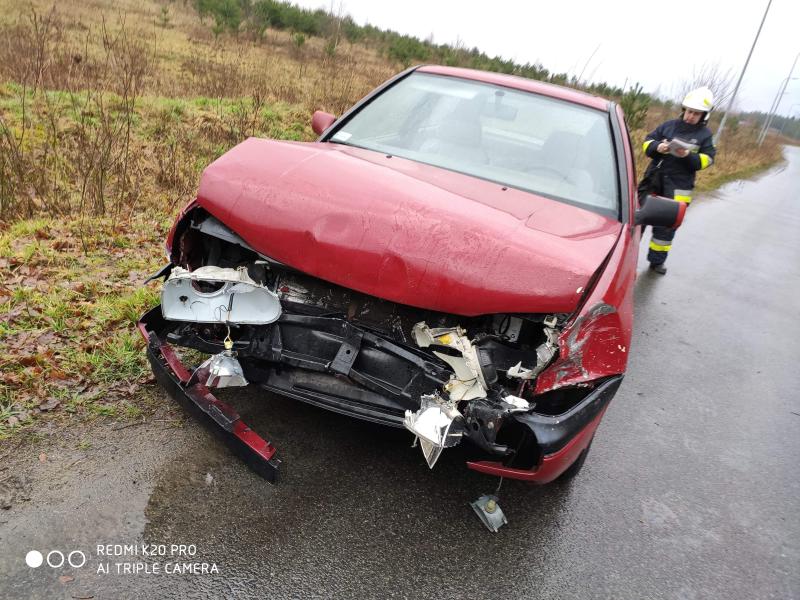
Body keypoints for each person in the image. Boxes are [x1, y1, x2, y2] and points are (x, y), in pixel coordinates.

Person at [638, 86, 717, 274]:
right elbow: (647, 143)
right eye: (689, 111)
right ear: (684, 110)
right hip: (653, 180)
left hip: (679, 187)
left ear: (703, 116)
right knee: (637, 218)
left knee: (666, 228)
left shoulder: (705, 136)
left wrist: (688, 155)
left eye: (696, 113)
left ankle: (656, 262)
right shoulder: (668, 126)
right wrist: (658, 147)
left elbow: (707, 160)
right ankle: (628, 256)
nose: (691, 116)